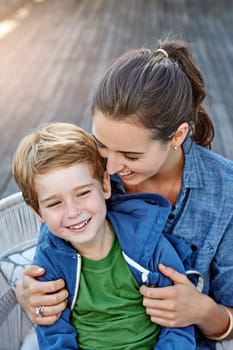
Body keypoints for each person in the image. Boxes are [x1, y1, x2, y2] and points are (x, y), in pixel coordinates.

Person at [16, 38, 233, 349]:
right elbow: (55, 237)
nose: (112, 167)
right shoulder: (84, 169)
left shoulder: (226, 193)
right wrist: (30, 296)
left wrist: (201, 310)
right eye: (103, 144)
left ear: (178, 136)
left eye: (131, 155)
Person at [12, 122, 196, 349]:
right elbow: (54, 334)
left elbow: (179, 325)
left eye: (83, 193)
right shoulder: (50, 260)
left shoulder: (147, 243)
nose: (73, 212)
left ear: (105, 185)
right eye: (55, 203)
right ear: (38, 212)